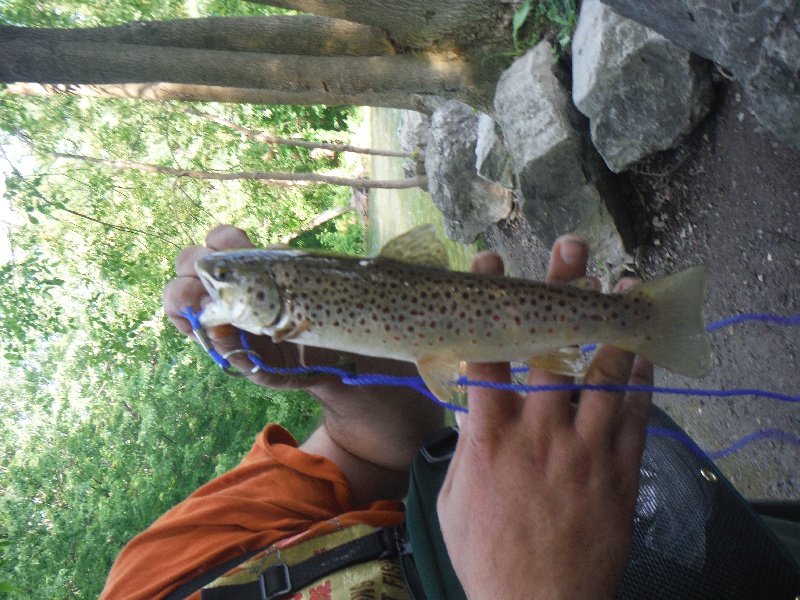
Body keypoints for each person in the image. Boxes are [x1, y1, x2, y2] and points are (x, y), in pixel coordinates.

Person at [101, 225, 653, 599]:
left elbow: (368, 456)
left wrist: (345, 369)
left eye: (225, 282)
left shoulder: (153, 573)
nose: (211, 288)